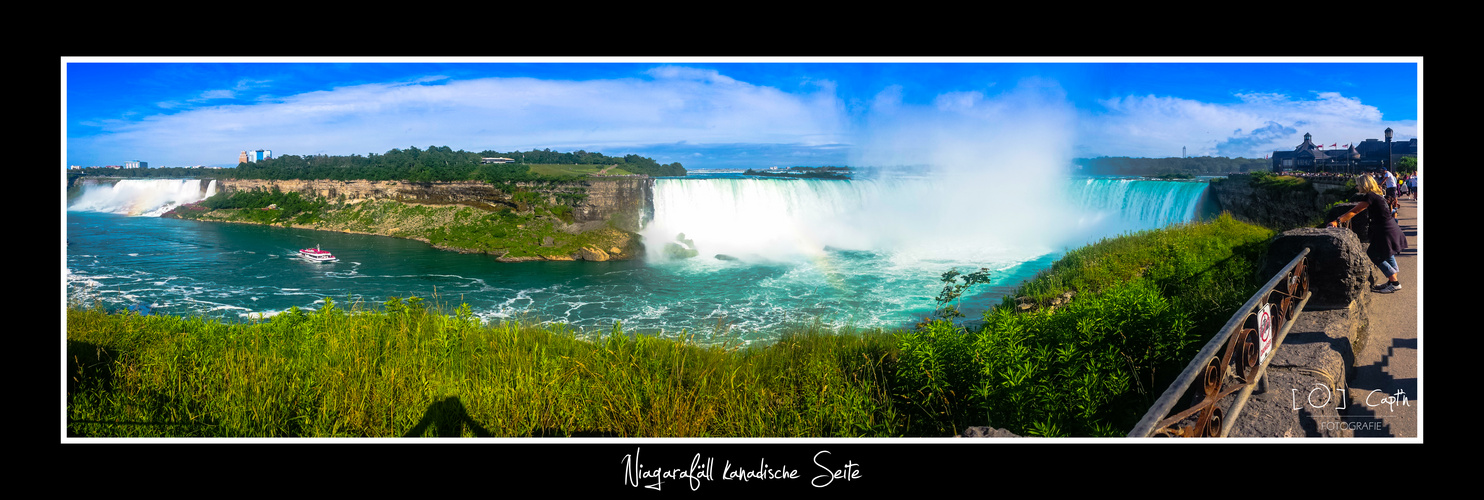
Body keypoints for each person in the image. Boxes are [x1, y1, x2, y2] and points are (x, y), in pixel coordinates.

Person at [1329, 174, 1407, 293]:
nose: (1356, 187)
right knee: (1387, 252)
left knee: (1373, 253)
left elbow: (1355, 210)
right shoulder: (1377, 195)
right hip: (1388, 227)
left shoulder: (1370, 196)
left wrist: (1337, 221)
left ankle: (1395, 282)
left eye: (1358, 184)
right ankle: (1392, 280)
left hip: (1384, 229)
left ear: (1364, 184)